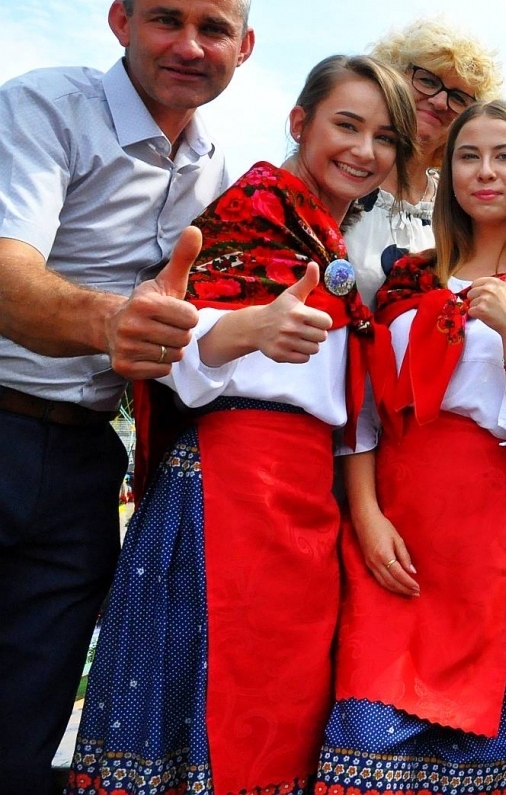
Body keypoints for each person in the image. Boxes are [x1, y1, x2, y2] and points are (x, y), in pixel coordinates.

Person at [70, 55, 417, 794]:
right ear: (301, 122)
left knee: (282, 709)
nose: (364, 150)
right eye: (346, 125)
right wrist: (248, 328)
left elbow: (351, 404)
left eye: (384, 137)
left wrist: (362, 506)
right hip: (227, 490)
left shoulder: (334, 243)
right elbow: (174, 341)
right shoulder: (253, 207)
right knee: (207, 704)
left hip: (303, 502)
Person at [0, 0, 253, 794]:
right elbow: (5, 274)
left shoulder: (224, 174)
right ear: (119, 19)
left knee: (23, 730)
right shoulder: (42, 108)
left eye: (213, 27)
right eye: (164, 19)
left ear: (245, 45)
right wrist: (113, 321)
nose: (189, 45)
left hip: (83, 469)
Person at [316, 99, 506, 792]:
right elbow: (365, 408)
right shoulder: (409, 276)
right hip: (398, 530)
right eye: (469, 155)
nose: (485, 171)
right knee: (364, 740)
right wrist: (367, 514)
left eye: (505, 155)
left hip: (489, 541)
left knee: (477, 756)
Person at [345, 17, 505, 302]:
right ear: (391, 78)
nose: (440, 102)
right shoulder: (342, 177)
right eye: (428, 81)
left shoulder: (464, 207)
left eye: (459, 98)